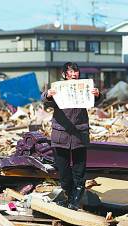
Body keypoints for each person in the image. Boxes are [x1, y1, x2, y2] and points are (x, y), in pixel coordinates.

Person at [42, 62, 103, 210]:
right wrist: (48, 95)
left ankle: (75, 201)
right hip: (60, 134)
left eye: (76, 72)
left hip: (79, 134)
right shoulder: (59, 89)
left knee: (79, 171)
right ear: (64, 75)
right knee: (63, 171)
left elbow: (97, 101)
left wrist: (98, 94)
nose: (74, 75)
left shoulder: (84, 87)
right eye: (70, 73)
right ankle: (69, 195)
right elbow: (45, 101)